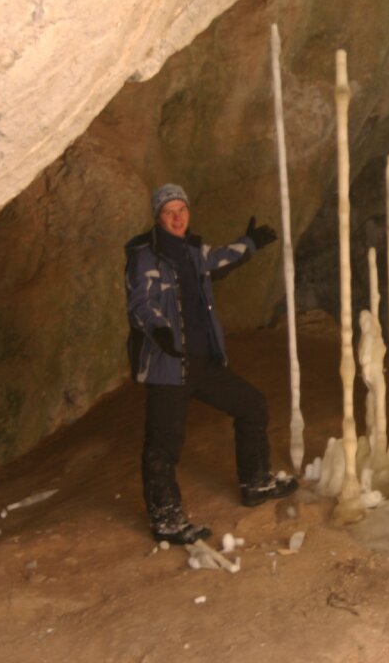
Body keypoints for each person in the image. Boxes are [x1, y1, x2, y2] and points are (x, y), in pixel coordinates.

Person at [125, 183, 298, 544]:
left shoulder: (193, 251)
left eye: (181, 210)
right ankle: (167, 520)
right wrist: (159, 330)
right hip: (169, 366)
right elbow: (141, 302)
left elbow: (220, 259)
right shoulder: (145, 255)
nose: (177, 217)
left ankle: (256, 482)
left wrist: (249, 242)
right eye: (169, 211)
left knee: (251, 405)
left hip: (204, 362)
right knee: (163, 444)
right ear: (158, 216)